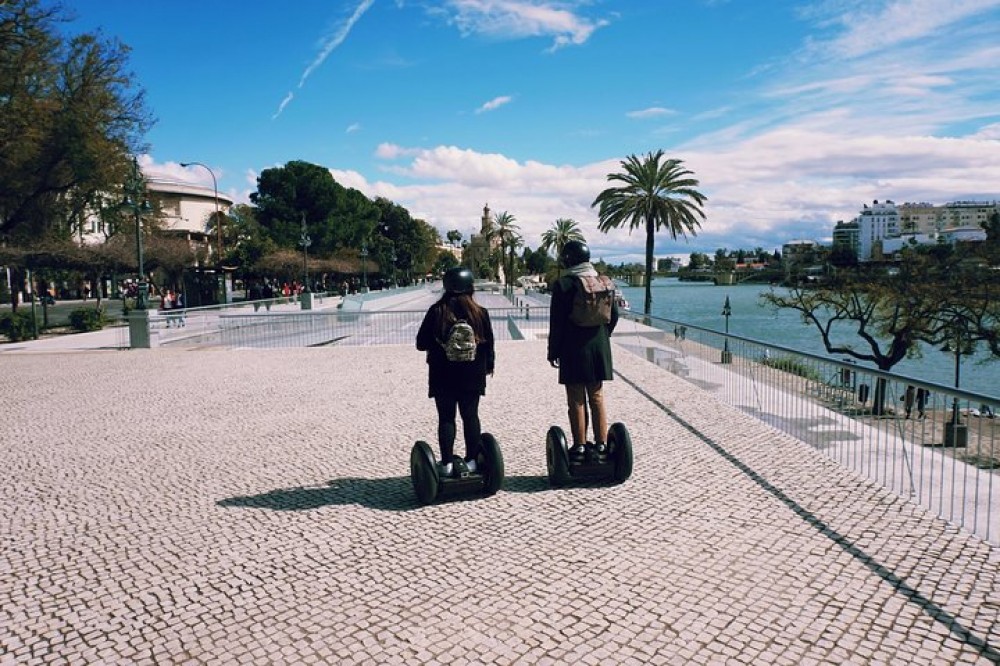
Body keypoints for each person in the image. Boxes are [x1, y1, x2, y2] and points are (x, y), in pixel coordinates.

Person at [416, 266, 495, 478]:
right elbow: (489, 346)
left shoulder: (437, 312)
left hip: (442, 374)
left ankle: (448, 463)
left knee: (446, 418)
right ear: (470, 287)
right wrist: (488, 367)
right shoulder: (480, 313)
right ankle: (471, 461)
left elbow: (420, 343)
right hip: (472, 374)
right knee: (470, 416)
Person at [547, 240, 619, 462]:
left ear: (568, 259)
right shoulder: (603, 282)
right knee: (596, 396)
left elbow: (557, 322)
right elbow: (613, 316)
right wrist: (602, 337)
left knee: (576, 397)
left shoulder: (564, 285)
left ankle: (579, 446)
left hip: (573, 347)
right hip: (599, 346)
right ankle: (601, 444)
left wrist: (553, 351)